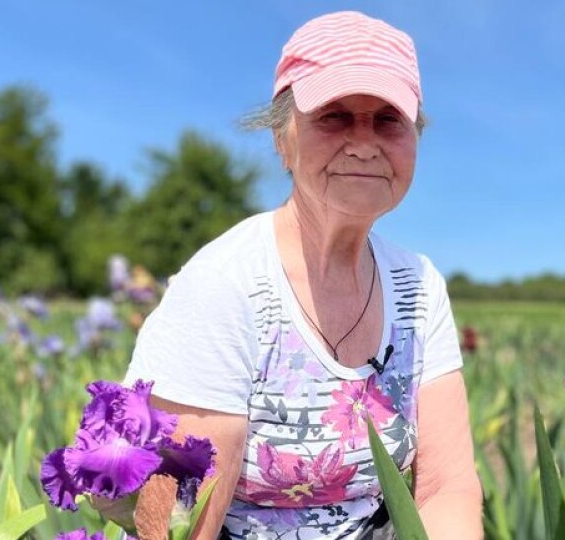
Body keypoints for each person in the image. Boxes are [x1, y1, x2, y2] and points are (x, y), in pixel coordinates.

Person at [122, 10, 482, 539]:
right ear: (281, 137)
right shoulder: (228, 283)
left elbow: (444, 488)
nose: (364, 142)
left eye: (388, 119)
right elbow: (181, 520)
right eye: (333, 116)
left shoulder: (419, 286)